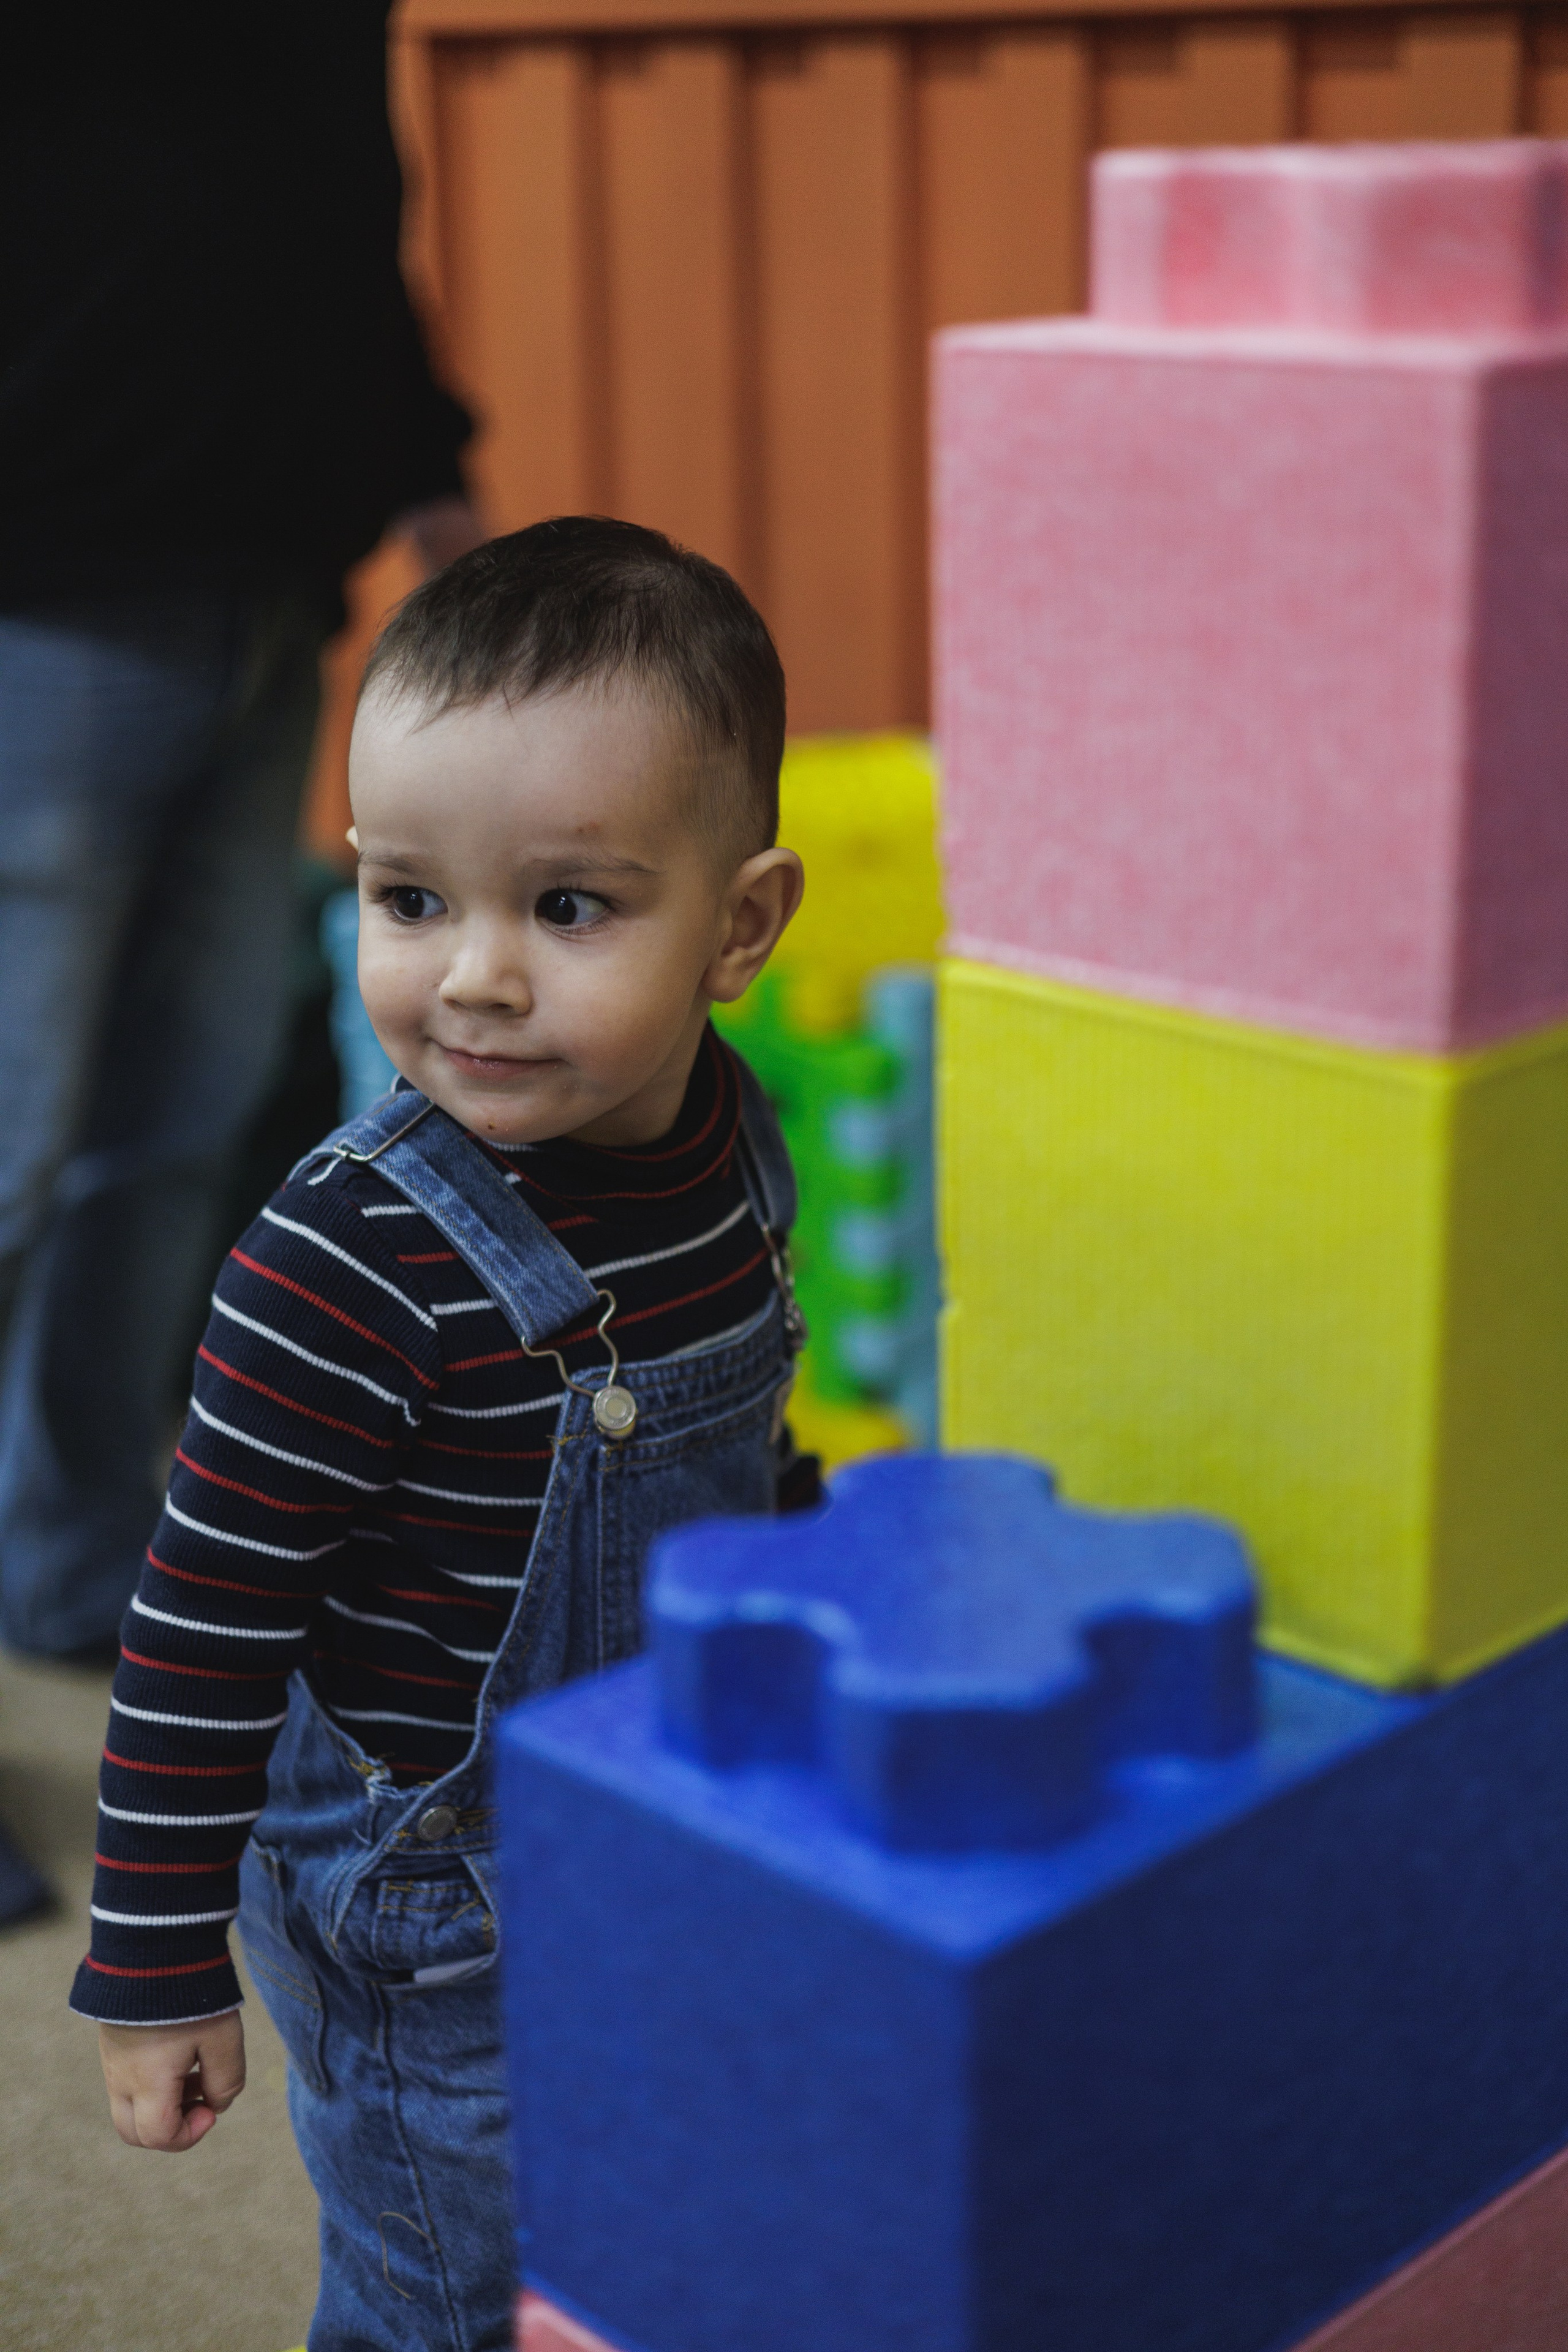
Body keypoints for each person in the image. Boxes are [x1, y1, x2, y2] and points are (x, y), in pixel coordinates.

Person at [74, 519, 809, 2352]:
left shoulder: (736, 1137)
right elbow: (201, 1627)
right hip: (434, 1910)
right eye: (409, 898)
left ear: (741, 925)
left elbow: (735, 1463)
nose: (470, 976)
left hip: (655, 1802)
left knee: (657, 2223)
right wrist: (155, 1964)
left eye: (568, 907)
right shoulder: (345, 1263)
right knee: (458, 2295)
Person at [0, 8, 480, 1659]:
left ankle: (73, 1573)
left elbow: (330, 173)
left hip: (275, 592)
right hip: (38, 607)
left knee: (173, 1130)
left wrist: (427, 457)